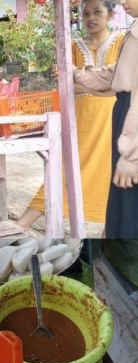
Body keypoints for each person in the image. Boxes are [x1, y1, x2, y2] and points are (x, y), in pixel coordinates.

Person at [18, 0, 124, 231]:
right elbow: (65, 86)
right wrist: (99, 84)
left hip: (113, 121)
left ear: (111, 14)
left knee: (112, 178)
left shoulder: (122, 42)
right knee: (63, 170)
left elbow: (121, 83)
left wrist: (82, 79)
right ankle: (22, 224)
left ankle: (109, 232)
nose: (91, 18)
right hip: (80, 120)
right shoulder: (72, 46)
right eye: (86, 14)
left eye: (97, 12)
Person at [73, 0, 138, 238]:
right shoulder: (134, 31)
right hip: (124, 116)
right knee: (122, 208)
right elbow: (116, 74)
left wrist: (131, 157)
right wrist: (76, 74)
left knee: (129, 209)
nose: (122, 2)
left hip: (132, 124)